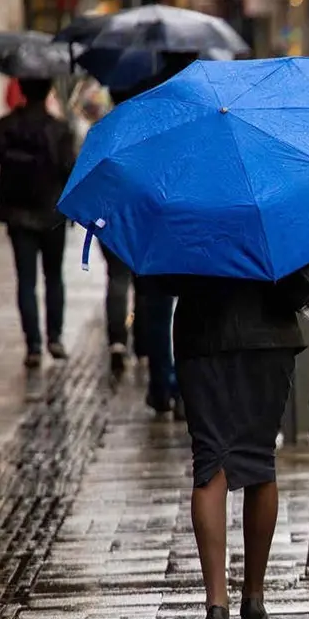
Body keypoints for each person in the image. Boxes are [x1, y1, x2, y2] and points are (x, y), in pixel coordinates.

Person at [150, 275, 304, 619]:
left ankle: (217, 607)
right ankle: (253, 598)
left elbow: (159, 280)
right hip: (269, 332)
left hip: (203, 336)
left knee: (209, 463)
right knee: (260, 461)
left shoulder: (183, 212)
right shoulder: (272, 212)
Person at [108, 52, 199, 412]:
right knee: (191, 311)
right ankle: (184, 389)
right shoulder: (197, 114)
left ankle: (163, 385)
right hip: (189, 228)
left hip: (152, 229)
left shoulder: (141, 115)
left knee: (158, 310)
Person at [0, 78, 76, 368]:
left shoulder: (6, 126)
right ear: (47, 93)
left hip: (19, 216)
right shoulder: (60, 129)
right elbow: (70, 170)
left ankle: (32, 345)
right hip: (52, 214)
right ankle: (54, 338)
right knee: (54, 277)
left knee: (26, 281)